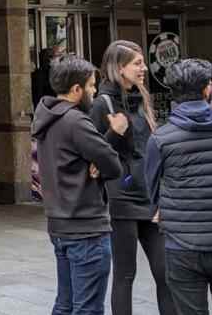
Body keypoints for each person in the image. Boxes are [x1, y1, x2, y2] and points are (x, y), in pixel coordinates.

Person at [145, 59, 212, 315]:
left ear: (173, 93)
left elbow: (151, 190)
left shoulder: (161, 139)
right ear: (207, 89)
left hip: (181, 245)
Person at [90, 41, 175, 315]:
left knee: (166, 273)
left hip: (150, 199)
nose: (144, 68)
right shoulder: (101, 104)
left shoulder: (142, 99)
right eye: (137, 63)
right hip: (121, 200)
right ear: (119, 67)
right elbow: (93, 157)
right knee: (126, 275)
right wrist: (114, 132)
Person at [32, 55, 122, 315]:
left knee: (66, 304)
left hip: (60, 225)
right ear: (76, 89)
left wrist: (94, 161)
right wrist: (109, 141)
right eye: (92, 86)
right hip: (86, 228)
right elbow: (113, 165)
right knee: (88, 308)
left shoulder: (46, 117)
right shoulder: (75, 121)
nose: (94, 91)